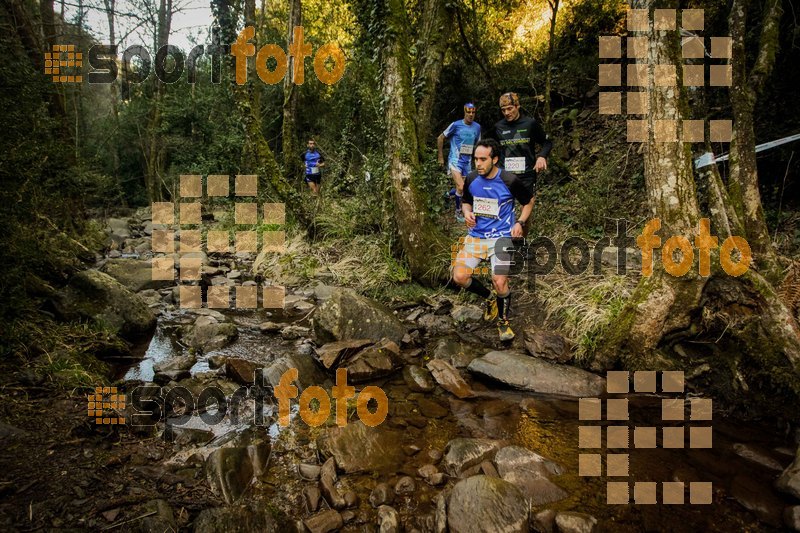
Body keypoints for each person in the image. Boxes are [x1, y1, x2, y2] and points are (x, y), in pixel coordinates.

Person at [450, 138, 534, 341]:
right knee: (459, 276)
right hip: (477, 237)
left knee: (499, 281)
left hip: (501, 238)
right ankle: (490, 299)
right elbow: (466, 202)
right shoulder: (470, 179)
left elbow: (529, 201)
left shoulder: (509, 180)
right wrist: (467, 212)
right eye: (475, 159)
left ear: (494, 159)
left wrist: (520, 223)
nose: (477, 163)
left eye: (482, 159)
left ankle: (503, 322)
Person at [487, 92, 552, 232]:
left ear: (518, 106)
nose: (507, 113)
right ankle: (500, 238)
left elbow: (547, 142)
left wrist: (542, 156)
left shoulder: (530, 123)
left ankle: (522, 243)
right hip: (505, 175)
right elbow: (490, 147)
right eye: (503, 110)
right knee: (501, 207)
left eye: (510, 108)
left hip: (526, 174)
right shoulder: (498, 127)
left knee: (526, 209)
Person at [438, 103, 481, 222]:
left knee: (466, 187)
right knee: (461, 186)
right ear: (464, 112)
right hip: (455, 160)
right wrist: (440, 156)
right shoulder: (456, 125)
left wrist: (478, 160)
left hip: (466, 162)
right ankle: (458, 213)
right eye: (468, 112)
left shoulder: (477, 127)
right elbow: (440, 138)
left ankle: (448, 194)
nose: (471, 115)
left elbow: (478, 145)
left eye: (473, 112)